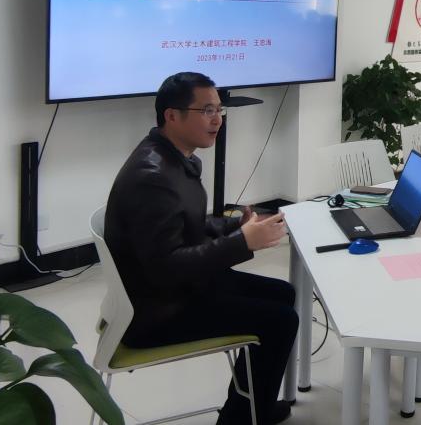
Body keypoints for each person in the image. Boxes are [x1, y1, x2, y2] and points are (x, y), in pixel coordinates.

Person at [105, 73, 297, 425]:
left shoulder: (172, 157)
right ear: (171, 116)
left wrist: (234, 227)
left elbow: (187, 225)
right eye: (207, 110)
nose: (217, 119)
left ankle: (251, 408)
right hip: (158, 312)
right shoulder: (152, 177)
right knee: (281, 319)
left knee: (284, 294)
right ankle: (242, 419)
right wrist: (243, 243)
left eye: (219, 110)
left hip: (177, 291)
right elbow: (166, 268)